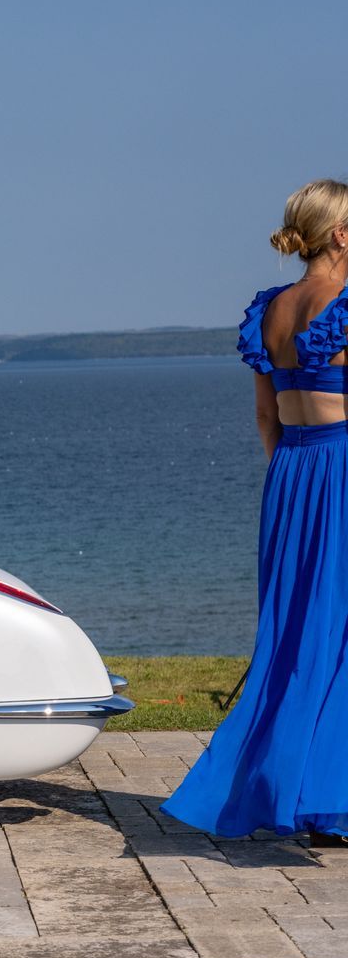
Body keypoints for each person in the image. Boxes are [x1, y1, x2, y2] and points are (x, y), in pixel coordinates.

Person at [162, 179, 348, 844]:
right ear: (342, 235)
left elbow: (266, 417)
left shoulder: (271, 308)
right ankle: (321, 798)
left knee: (298, 635)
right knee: (334, 634)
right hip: (340, 465)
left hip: (292, 472)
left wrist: (293, 473)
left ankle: (314, 799)